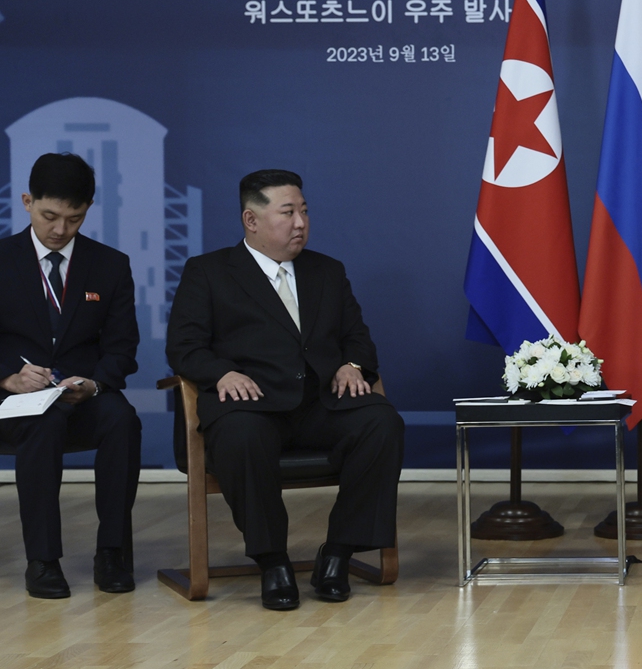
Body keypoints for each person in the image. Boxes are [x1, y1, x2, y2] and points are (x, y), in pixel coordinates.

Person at [166, 169, 404, 611]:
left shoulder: (327, 271)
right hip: (251, 407)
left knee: (381, 421)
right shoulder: (209, 272)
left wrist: (354, 366)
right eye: (288, 213)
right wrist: (221, 374)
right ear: (251, 221)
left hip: (319, 405)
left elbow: (359, 339)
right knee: (242, 436)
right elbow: (184, 346)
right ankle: (272, 561)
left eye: (305, 212)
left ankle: (338, 553)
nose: (301, 223)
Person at [0, 152, 141, 599]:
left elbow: (122, 346)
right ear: (26, 202)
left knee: (123, 420)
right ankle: (43, 561)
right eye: (49, 216)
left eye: (74, 219)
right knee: (42, 423)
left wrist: (94, 383)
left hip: (80, 395)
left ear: (87, 211)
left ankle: (112, 552)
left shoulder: (110, 265)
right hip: (11, 399)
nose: (60, 230)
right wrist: (8, 378)